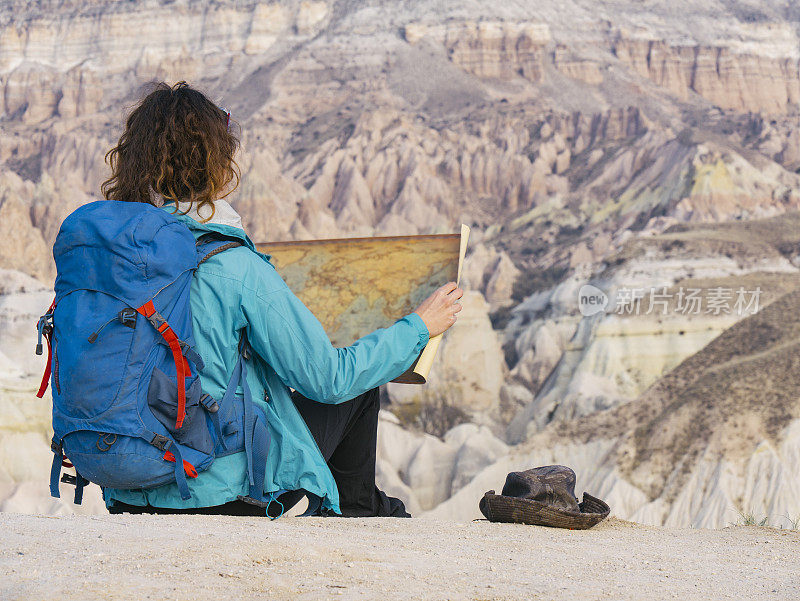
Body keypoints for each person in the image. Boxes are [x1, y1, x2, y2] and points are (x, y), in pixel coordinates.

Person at [101, 81, 464, 518]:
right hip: (220, 495)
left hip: (127, 490)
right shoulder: (232, 266)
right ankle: (359, 514)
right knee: (358, 391)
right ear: (217, 163)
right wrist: (419, 327)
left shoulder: (110, 262)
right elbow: (329, 380)